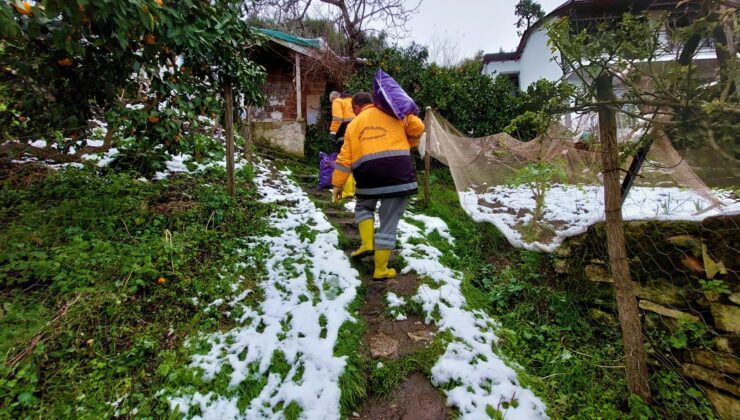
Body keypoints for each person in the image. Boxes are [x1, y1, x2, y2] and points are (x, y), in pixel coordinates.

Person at [331, 92, 425, 280]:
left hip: (367, 175)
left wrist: (337, 185)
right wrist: (410, 142)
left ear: (356, 107)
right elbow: (418, 127)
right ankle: (381, 269)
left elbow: (343, 159)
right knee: (388, 222)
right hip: (398, 173)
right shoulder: (393, 111)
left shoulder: (352, 125)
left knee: (364, 206)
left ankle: (367, 243)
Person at [329, 91, 356, 198]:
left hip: (344, 135)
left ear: (334, 97)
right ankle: (356, 189)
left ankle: (347, 191)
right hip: (358, 135)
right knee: (356, 162)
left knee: (345, 162)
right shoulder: (353, 101)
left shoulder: (338, 101)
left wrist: (332, 132)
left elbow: (337, 118)